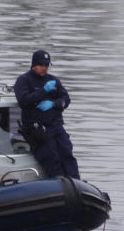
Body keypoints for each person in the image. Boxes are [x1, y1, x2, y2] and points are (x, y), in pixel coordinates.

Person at [14, 49, 80, 178]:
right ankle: (59, 184)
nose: (44, 68)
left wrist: (54, 104)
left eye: (47, 65)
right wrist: (43, 91)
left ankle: (75, 183)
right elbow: (24, 101)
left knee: (67, 153)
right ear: (34, 65)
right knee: (51, 156)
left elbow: (66, 99)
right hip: (38, 128)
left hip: (56, 125)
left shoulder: (53, 80)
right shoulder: (24, 81)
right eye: (42, 65)